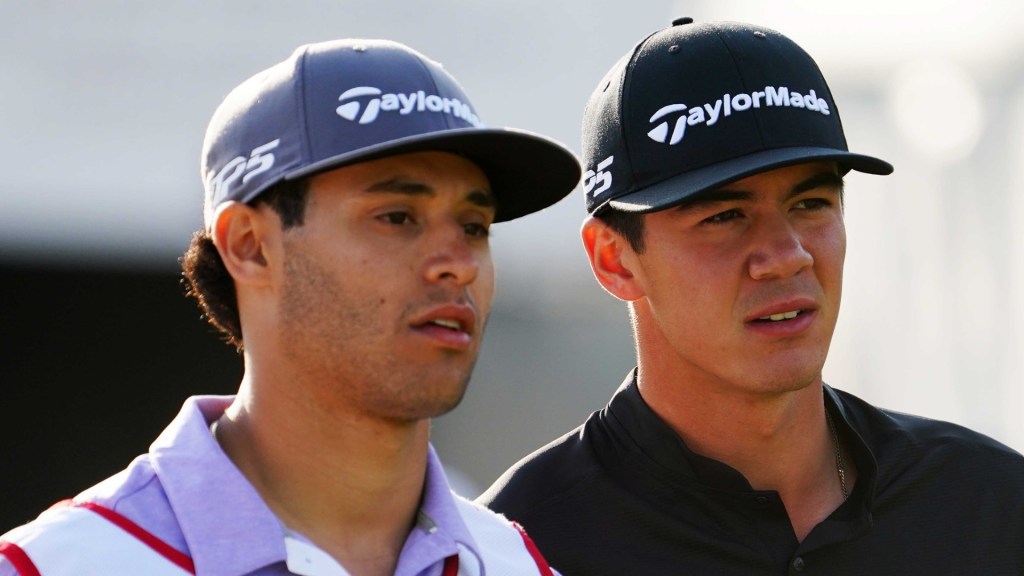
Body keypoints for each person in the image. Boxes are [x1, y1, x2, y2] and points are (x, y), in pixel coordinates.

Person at [0, 38, 580, 575]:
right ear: (250, 247)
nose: (459, 263)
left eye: (475, 226)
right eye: (397, 217)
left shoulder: (519, 564)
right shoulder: (58, 564)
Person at [478, 17, 1024, 575]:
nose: (787, 255)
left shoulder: (989, 504)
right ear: (614, 259)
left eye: (810, 204)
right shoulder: (515, 550)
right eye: (725, 216)